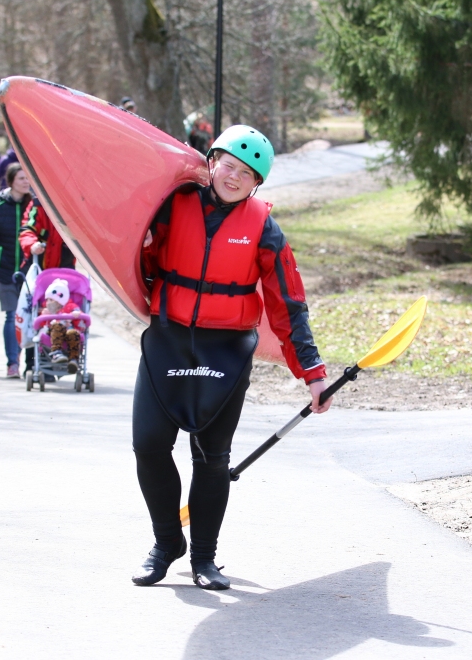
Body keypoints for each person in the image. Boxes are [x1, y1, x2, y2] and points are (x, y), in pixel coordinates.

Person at [131, 125, 331, 591]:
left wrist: (313, 373)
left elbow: (288, 304)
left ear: (257, 183)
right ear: (211, 161)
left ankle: (204, 557)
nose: (234, 177)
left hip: (226, 349)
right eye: (229, 165)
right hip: (168, 338)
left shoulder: (264, 228)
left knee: (212, 456)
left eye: (247, 173)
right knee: (149, 445)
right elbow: (133, 250)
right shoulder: (172, 204)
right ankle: (167, 542)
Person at [0, 163, 34, 378]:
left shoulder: (35, 206)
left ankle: (31, 364)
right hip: (4, 270)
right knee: (12, 316)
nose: (26, 182)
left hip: (30, 272)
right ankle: (13, 362)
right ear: (11, 181)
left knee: (30, 317)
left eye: (28, 178)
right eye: (21, 178)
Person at [18, 194, 74, 270]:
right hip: (37, 268)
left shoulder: (75, 207)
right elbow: (27, 229)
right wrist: (32, 244)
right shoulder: (37, 205)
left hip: (65, 269)